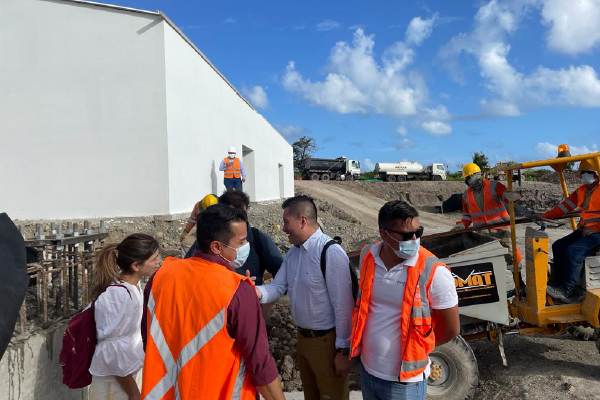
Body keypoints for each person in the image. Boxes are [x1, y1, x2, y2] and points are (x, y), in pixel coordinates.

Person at [141, 204, 284, 400]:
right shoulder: (237, 289)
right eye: (241, 242)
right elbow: (259, 364)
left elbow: (148, 338)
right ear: (216, 246)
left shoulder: (160, 276)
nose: (246, 247)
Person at [350, 201, 459, 400]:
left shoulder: (433, 271)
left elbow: (451, 328)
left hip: (406, 383)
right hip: (367, 372)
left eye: (419, 232)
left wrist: (420, 346)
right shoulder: (368, 256)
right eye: (407, 235)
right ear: (384, 234)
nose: (415, 239)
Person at [255, 195, 354, 400]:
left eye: (285, 222)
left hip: (327, 343)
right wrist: (253, 291)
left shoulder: (330, 252)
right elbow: (278, 286)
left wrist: (343, 352)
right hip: (303, 340)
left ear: (302, 220)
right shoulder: (293, 253)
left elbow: (344, 306)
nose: (283, 228)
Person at [88, 234, 161, 400]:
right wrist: (133, 392)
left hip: (125, 379)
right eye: (154, 259)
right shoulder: (118, 296)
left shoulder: (132, 288)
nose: (158, 262)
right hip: (116, 385)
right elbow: (112, 350)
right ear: (136, 265)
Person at [539, 159, 600, 302]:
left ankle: (566, 290)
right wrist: (544, 215)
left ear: (597, 174)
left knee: (574, 251)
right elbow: (564, 207)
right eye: (583, 172)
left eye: (589, 172)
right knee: (558, 246)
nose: (585, 175)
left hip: (596, 232)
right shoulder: (582, 190)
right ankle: (558, 283)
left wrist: (596, 228)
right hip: (586, 231)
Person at [452, 162, 523, 266]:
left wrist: (513, 196)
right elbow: (467, 215)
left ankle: (518, 278)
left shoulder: (493, 185)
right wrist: (463, 224)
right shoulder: (466, 195)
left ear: (474, 175)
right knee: (487, 261)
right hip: (483, 233)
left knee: (512, 256)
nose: (466, 181)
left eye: (467, 178)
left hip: (502, 229)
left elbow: (507, 198)